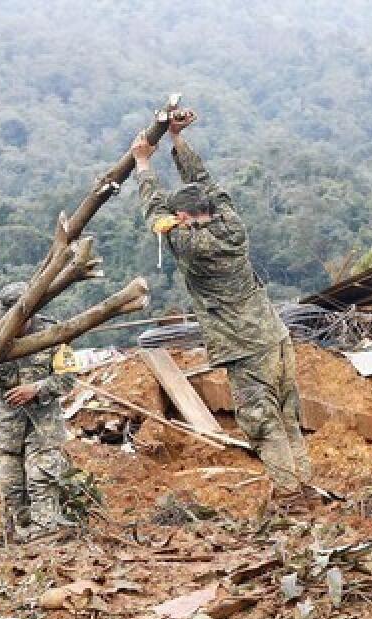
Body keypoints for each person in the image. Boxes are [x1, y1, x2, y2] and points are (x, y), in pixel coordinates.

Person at [131, 109, 311, 499]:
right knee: (288, 415)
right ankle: (304, 484)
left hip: (244, 345)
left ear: (183, 217)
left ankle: (291, 495)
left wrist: (143, 163)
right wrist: (177, 141)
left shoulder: (191, 244)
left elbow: (155, 211)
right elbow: (203, 182)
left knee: (262, 420)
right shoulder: (231, 222)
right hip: (274, 336)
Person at [0, 281, 74, 540]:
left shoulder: (54, 333)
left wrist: (37, 388)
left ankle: (46, 536)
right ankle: (20, 542)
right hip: (6, 426)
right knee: (11, 487)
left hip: (44, 425)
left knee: (41, 478)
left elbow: (68, 377)